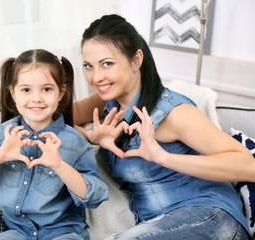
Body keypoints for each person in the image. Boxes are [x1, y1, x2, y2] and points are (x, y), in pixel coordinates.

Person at [74, 14, 255, 240]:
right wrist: (91, 135)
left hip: (211, 219)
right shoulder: (108, 103)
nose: (96, 77)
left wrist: (163, 157)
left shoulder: (172, 112)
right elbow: (58, 115)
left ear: (136, 60)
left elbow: (249, 166)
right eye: (88, 66)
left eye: (107, 64)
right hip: (160, 226)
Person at [0, 49, 108, 240]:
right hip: (17, 233)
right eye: (26, 90)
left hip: (64, 233)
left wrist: (60, 166)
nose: (36, 98)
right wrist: (0, 155)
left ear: (61, 92)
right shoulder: (2, 135)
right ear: (13, 93)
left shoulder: (75, 143)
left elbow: (94, 196)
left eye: (47, 89)